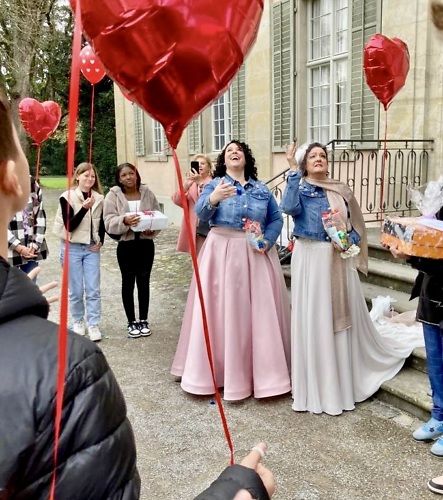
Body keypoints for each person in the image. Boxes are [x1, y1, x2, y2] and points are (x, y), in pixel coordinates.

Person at [0, 88, 275, 500]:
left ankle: (149, 323)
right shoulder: (66, 370)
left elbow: (267, 218)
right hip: (145, 246)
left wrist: (265, 240)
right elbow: (178, 215)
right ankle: (131, 322)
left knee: (146, 286)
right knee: (139, 290)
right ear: (12, 177)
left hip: (190, 247)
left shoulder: (258, 189)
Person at [280, 141, 421, 416]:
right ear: (305, 163)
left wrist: (347, 240)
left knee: (335, 319)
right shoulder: (300, 186)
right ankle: (315, 385)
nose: (319, 159)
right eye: (313, 156)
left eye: (322, 155)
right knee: (313, 319)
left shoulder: (341, 189)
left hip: (337, 261)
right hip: (309, 258)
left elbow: (356, 227)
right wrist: (293, 170)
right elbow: (288, 207)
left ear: (327, 162)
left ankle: (338, 385)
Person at [171, 140, 291, 401]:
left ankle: (263, 376)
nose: (234, 152)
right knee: (221, 312)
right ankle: (218, 374)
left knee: (257, 314)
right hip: (220, 252)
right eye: (228, 150)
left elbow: (275, 218)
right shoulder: (215, 184)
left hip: (255, 252)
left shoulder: (261, 188)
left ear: (246, 158)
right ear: (224, 160)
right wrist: (213, 199)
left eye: (238, 149)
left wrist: (267, 241)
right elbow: (201, 214)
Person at [386, 208, 443, 459]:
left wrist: (411, 256)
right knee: (436, 364)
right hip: (432, 297)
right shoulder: (438, 204)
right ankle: (439, 417)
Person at [103, 162, 160, 339]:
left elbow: (157, 213)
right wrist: (125, 221)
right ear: (119, 178)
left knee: (144, 282)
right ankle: (131, 322)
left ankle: (143, 319)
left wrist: (152, 228)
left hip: (145, 244)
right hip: (126, 246)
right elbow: (108, 221)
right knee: (128, 282)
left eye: (131, 173)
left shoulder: (147, 193)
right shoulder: (113, 196)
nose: (128, 177)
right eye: (124, 175)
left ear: (136, 174)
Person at [52, 162, 104, 342]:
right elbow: (70, 226)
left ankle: (93, 323)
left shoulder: (99, 198)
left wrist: (101, 241)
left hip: (90, 248)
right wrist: (84, 209)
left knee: (93, 288)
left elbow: (101, 223)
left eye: (93, 176)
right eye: (86, 175)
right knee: (75, 289)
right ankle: (78, 321)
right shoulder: (66, 196)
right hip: (72, 247)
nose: (90, 179)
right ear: (77, 177)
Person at [7, 175, 48, 281]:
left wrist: (35, 244)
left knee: (30, 289)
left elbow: (40, 216)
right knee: (9, 291)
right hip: (8, 246)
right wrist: (18, 246)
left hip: (30, 245)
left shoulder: (32, 183)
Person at [171, 154, 213, 255]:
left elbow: (211, 200)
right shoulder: (191, 185)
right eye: (197, 164)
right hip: (196, 230)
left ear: (209, 167)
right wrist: (185, 186)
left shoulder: (213, 182)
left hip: (209, 229)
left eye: (203, 163)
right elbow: (176, 200)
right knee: (198, 264)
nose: (200, 166)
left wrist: (202, 183)